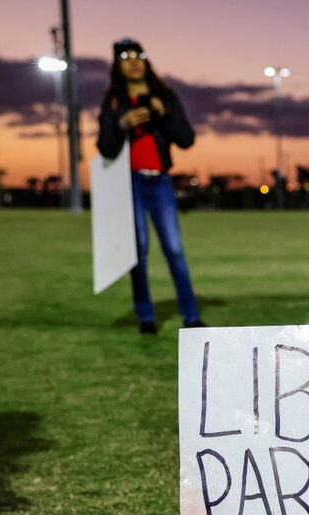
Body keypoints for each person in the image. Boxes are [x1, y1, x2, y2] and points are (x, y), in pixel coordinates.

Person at [97, 38, 205, 334]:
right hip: (129, 183)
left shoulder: (164, 96)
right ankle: (146, 316)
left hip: (160, 181)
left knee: (173, 248)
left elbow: (186, 139)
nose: (133, 61)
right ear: (117, 65)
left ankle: (191, 315)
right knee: (138, 251)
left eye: (138, 55)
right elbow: (105, 148)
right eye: (125, 56)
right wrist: (122, 125)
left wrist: (162, 113)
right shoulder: (114, 102)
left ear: (146, 61)